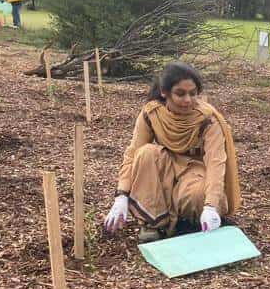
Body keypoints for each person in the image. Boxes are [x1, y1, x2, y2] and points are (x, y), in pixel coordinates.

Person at [103, 62, 241, 243]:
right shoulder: (151, 114)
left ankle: (189, 221)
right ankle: (153, 222)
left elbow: (216, 163)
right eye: (180, 94)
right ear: (164, 92)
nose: (187, 100)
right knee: (145, 153)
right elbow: (132, 154)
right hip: (164, 165)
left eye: (193, 94)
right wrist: (121, 196)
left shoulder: (207, 120)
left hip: (194, 170)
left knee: (199, 197)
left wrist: (211, 205)